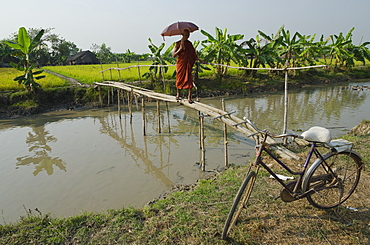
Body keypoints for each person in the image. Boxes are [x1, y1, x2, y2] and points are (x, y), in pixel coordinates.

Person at [173, 29, 199, 104]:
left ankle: (189, 97)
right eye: (186, 35)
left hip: (188, 64)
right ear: (182, 35)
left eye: (188, 35)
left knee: (189, 79)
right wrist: (180, 50)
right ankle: (178, 94)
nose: (187, 36)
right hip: (181, 64)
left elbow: (193, 55)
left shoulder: (189, 44)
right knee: (179, 79)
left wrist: (199, 59)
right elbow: (174, 55)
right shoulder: (177, 43)